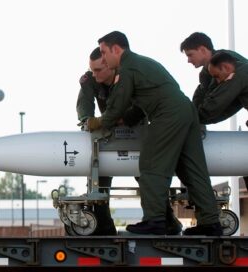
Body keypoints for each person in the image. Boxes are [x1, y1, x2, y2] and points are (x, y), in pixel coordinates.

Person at [88, 31, 221, 235]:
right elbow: (142, 103)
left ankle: (155, 220)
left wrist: (97, 122)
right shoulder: (142, 63)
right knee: (192, 169)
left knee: (151, 166)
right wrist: (128, 119)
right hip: (186, 112)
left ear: (116, 49)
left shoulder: (128, 68)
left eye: (104, 53)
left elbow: (115, 108)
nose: (103, 58)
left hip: (167, 116)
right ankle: (211, 223)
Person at [76, 47, 117, 235]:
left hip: (136, 128)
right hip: (106, 131)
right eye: (92, 70)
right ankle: (104, 227)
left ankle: (164, 221)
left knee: (148, 181)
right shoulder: (91, 79)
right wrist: (87, 121)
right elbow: (85, 103)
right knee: (98, 183)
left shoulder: (127, 78)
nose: (94, 75)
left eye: (99, 70)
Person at [180, 32, 247, 124]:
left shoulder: (229, 65)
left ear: (203, 50)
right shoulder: (206, 75)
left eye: (190, 55)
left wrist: (193, 120)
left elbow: (219, 101)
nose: (188, 60)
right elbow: (202, 96)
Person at [197, 51, 248, 123]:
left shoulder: (237, 76)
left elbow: (216, 104)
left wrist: (193, 118)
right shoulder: (243, 69)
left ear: (226, 67)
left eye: (217, 76)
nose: (218, 81)